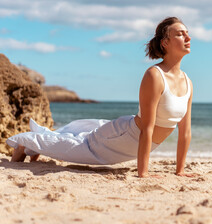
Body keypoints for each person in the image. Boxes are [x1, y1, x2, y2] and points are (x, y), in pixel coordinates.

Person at [6, 17, 194, 178]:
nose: (187, 37)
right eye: (180, 34)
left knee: (78, 140)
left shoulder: (188, 82)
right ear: (165, 43)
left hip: (136, 144)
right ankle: (24, 142)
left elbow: (185, 132)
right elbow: (147, 127)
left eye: (187, 33)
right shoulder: (154, 75)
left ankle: (36, 143)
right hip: (125, 135)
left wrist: (180, 171)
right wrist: (142, 173)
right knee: (78, 148)